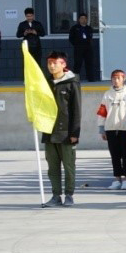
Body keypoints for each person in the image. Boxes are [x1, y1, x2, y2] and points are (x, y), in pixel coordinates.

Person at [40, 51, 81, 206]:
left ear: (63, 64)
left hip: (66, 133)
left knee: (69, 166)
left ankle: (69, 195)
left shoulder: (72, 83)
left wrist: (75, 133)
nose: (51, 66)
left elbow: (76, 109)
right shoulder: (46, 82)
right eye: (49, 63)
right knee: (52, 168)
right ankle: (56, 195)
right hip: (49, 131)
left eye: (54, 63)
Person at [97, 68, 126, 190]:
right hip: (111, 128)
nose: (116, 80)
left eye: (118, 78)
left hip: (125, 129)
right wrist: (102, 128)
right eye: (114, 78)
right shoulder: (107, 94)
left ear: (124, 79)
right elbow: (102, 112)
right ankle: (117, 179)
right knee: (114, 155)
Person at [68, 15, 95, 83]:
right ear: (79, 19)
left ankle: (90, 79)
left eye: (85, 18)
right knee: (77, 63)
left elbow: (90, 37)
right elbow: (71, 38)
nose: (84, 20)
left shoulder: (89, 28)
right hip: (78, 48)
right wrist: (76, 44)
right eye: (82, 18)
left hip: (88, 48)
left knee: (89, 63)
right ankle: (76, 79)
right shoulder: (74, 28)